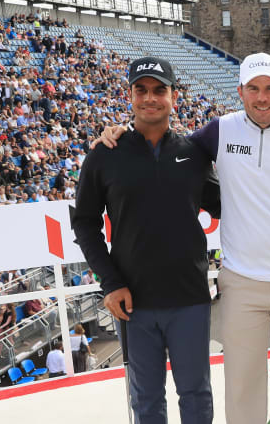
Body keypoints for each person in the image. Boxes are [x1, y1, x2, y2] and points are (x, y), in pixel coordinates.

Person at [94, 52, 270, 424]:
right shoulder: (218, 131)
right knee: (242, 386)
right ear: (239, 91)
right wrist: (123, 132)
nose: (261, 97)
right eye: (253, 88)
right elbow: (165, 149)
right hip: (241, 281)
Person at [71, 57, 221, 422]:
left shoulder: (194, 153)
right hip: (132, 301)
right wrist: (111, 282)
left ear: (173, 96)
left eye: (159, 90)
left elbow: (228, 204)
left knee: (196, 395)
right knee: (147, 400)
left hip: (189, 297)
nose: (150, 98)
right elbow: (85, 224)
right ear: (130, 95)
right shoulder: (104, 155)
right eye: (142, 90)